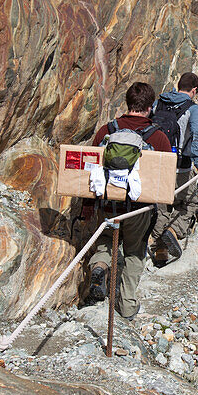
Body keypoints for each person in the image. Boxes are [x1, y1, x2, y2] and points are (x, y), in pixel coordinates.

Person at [81, 82, 172, 319]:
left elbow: (91, 169)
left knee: (105, 239)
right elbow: (164, 180)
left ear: (128, 104)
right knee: (134, 252)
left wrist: (88, 206)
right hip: (139, 209)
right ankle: (127, 306)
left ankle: (100, 266)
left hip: (108, 203)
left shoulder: (106, 131)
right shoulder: (158, 137)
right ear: (150, 107)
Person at [151, 72, 198, 263]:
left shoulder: (159, 102)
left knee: (161, 206)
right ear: (194, 90)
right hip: (180, 166)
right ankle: (172, 231)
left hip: (157, 162)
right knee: (189, 203)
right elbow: (197, 138)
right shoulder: (194, 109)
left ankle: (159, 249)